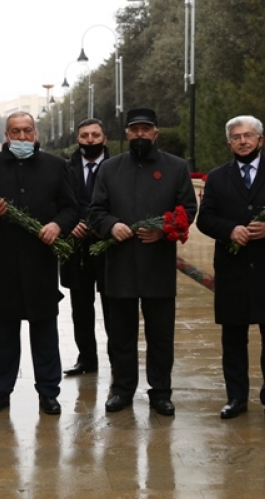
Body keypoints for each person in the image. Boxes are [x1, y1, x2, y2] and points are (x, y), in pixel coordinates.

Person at [196, 115, 265, 425]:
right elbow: (205, 219)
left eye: (248, 135)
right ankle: (236, 398)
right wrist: (229, 230)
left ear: (261, 139)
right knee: (233, 339)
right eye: (236, 137)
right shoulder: (217, 177)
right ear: (229, 143)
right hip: (232, 270)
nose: (242, 141)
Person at [0, 112, 79, 416]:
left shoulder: (55, 166)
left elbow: (72, 208)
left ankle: (49, 392)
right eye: (15, 131)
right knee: (4, 332)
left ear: (35, 133)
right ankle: (0, 391)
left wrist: (57, 225)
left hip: (41, 262)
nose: (21, 136)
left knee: (45, 330)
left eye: (27, 130)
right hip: (4, 263)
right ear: (6, 135)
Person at [89, 108, 197, 416]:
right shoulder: (110, 168)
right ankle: (122, 390)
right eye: (134, 129)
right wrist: (111, 225)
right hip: (120, 264)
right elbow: (95, 210)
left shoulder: (175, 167)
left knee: (160, 335)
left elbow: (188, 209)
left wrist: (163, 230)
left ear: (155, 132)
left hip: (157, 264)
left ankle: (160, 392)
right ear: (126, 133)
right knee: (121, 335)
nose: (140, 134)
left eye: (145, 129)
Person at [60, 118, 111, 377]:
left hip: (109, 247)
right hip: (76, 249)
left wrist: (105, 225)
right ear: (77, 139)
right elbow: (58, 202)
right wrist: (70, 226)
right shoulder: (65, 169)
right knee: (80, 309)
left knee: (113, 309)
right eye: (84, 136)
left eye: (95, 135)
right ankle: (87, 359)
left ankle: (118, 361)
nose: (90, 140)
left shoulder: (117, 167)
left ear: (104, 138)